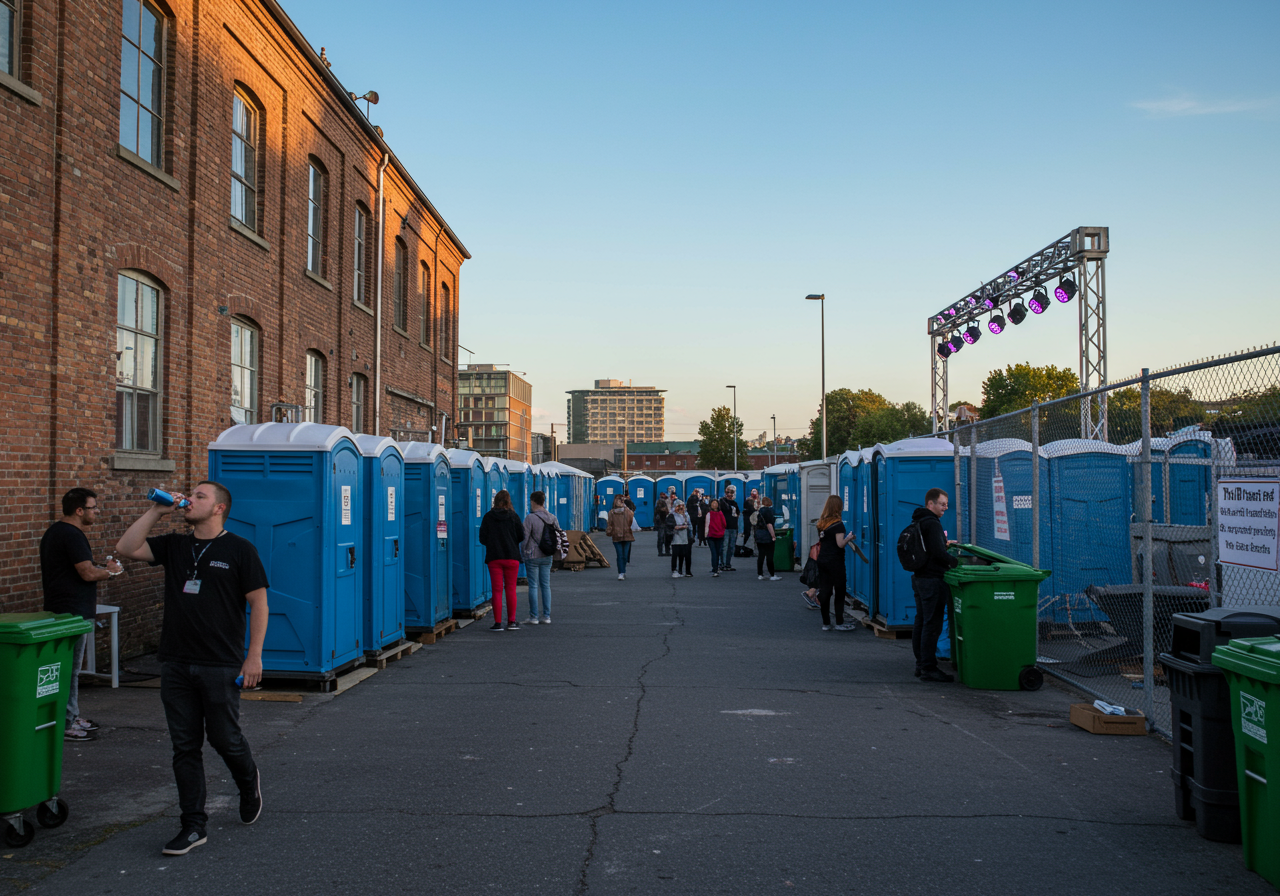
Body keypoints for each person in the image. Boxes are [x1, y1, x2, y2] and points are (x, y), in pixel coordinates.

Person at [115, 482, 268, 856]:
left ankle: (248, 784)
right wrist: (156, 511)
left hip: (220, 662)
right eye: (191, 494)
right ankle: (193, 825)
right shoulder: (175, 544)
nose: (190, 499)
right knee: (184, 746)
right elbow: (126, 548)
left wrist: (254, 656)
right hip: (176, 662)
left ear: (219, 509)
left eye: (200, 496)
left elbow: (259, 604)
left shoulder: (239, 549)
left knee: (224, 739)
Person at [40, 487, 122, 743]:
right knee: (70, 670)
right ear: (79, 510)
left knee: (69, 669)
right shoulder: (72, 535)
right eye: (93, 507)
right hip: (72, 613)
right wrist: (111, 571)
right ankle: (66, 722)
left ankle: (72, 715)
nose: (96, 511)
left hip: (65, 609)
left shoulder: (57, 532)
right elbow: (86, 573)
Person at [912, 488, 960, 682]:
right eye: (942, 504)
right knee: (932, 624)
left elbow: (930, 549)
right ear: (930, 504)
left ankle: (921, 663)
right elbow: (938, 554)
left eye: (947, 504)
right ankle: (929, 668)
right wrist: (954, 562)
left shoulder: (919, 520)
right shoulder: (932, 523)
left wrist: (943, 545)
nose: (945, 508)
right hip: (932, 579)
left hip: (919, 578)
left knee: (922, 621)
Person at [479, 489, 525, 632]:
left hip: (494, 557)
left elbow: (482, 538)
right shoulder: (513, 516)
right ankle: (511, 622)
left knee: (497, 591)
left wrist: (493, 543)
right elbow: (521, 536)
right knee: (511, 589)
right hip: (512, 557)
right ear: (508, 501)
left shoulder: (488, 517)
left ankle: (497, 623)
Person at [814, 495, 857, 632]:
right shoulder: (838, 524)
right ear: (838, 507)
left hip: (822, 560)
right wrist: (849, 538)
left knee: (825, 591)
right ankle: (839, 622)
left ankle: (826, 623)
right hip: (835, 561)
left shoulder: (822, 523)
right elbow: (840, 544)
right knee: (839, 591)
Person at [521, 490, 557, 625]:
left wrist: (523, 552)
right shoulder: (552, 518)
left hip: (532, 555)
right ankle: (546, 616)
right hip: (547, 555)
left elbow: (524, 538)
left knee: (533, 586)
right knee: (546, 585)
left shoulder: (530, 518)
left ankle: (533, 617)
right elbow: (558, 536)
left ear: (533, 501)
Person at [605, 494, 635, 579]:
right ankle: (621, 572)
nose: (620, 502)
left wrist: (626, 504)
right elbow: (610, 524)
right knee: (620, 555)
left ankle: (623, 570)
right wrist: (609, 531)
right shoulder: (611, 512)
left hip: (627, 535)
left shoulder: (627, 511)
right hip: (616, 535)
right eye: (618, 500)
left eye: (621, 500)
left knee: (625, 555)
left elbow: (631, 519)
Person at [753, 496, 780, 581]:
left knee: (761, 555)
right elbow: (769, 524)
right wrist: (773, 536)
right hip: (767, 535)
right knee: (769, 555)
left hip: (759, 534)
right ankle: (772, 574)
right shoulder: (769, 511)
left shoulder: (760, 511)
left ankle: (760, 574)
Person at [669, 500, 693, 577]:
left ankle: (681, 570)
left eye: (682, 506)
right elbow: (671, 526)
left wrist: (691, 535)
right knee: (675, 554)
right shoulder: (672, 515)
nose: (681, 508)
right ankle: (674, 570)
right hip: (675, 537)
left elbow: (690, 526)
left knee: (683, 554)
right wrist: (681, 527)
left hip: (685, 537)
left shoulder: (686, 515)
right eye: (678, 506)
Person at [719, 485, 740, 571]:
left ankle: (728, 563)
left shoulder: (735, 503)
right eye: (728, 492)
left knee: (731, 547)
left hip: (733, 527)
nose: (730, 494)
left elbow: (738, 513)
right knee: (724, 546)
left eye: (731, 493)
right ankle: (722, 563)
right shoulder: (722, 502)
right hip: (725, 527)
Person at [706, 499, 726, 577]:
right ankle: (716, 567)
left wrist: (705, 534)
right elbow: (724, 523)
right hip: (720, 535)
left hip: (711, 535)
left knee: (713, 552)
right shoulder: (720, 513)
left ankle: (714, 568)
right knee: (718, 552)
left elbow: (707, 524)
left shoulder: (709, 514)